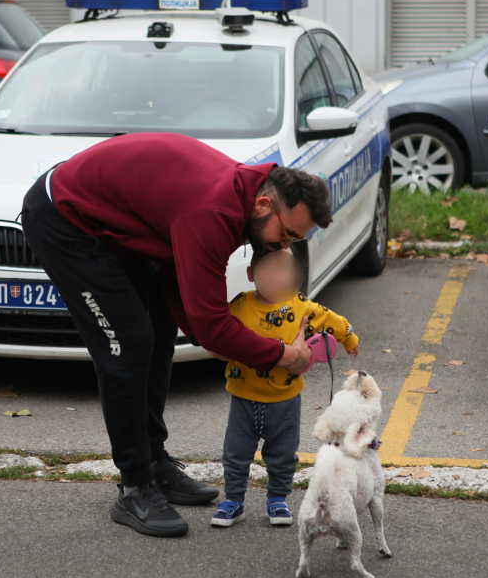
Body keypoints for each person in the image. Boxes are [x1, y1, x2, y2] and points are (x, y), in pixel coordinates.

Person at [20, 132, 332, 537]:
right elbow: (211, 322)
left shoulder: (242, 201)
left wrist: (213, 337)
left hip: (127, 230)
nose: (284, 246)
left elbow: (184, 290)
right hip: (66, 221)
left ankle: (154, 462)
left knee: (160, 329)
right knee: (129, 343)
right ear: (264, 204)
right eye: (286, 234)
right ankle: (134, 486)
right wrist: (279, 355)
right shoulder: (213, 212)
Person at [209, 247, 359, 528]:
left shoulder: (300, 305)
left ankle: (278, 498)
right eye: (268, 269)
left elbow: (327, 317)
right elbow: (217, 330)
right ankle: (233, 501)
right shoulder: (240, 305)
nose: (277, 277)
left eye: (283, 269)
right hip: (243, 398)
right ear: (251, 274)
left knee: (283, 455)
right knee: (235, 453)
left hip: (285, 401)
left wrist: (348, 336)